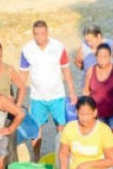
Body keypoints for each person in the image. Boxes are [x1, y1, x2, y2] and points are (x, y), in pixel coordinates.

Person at [19, 20, 77, 158]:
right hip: (37, 97)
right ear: (33, 34)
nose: (39, 37)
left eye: (42, 34)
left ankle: (62, 157)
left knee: (61, 128)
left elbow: (66, 71)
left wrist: (72, 92)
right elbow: (23, 75)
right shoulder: (27, 50)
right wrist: (18, 99)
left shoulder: (58, 47)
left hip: (57, 95)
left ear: (47, 33)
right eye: (36, 34)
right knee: (36, 130)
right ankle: (37, 158)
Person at [82, 44, 113, 127]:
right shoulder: (90, 70)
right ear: (96, 57)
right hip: (97, 115)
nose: (103, 59)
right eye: (100, 56)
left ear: (110, 56)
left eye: (105, 56)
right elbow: (86, 92)